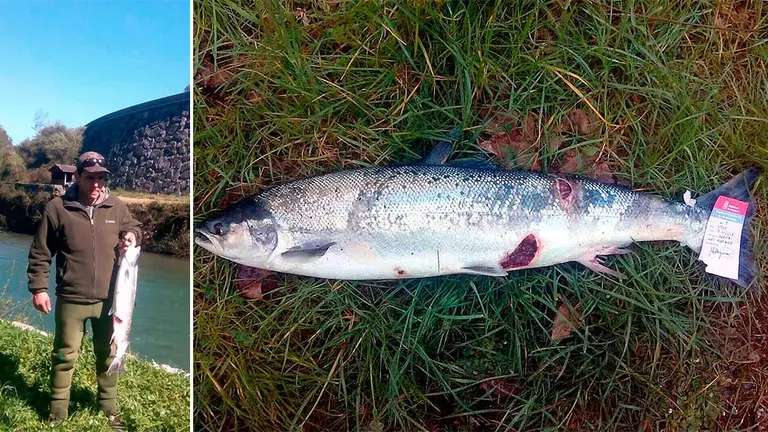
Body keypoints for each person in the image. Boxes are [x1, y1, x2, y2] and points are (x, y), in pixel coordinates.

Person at [26, 151, 142, 429]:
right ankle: (57, 414)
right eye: (90, 178)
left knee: (108, 356)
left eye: (101, 178)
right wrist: (38, 288)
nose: (97, 184)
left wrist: (132, 236)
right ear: (77, 176)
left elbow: (135, 227)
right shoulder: (57, 208)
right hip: (71, 298)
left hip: (109, 301)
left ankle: (110, 411)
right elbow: (41, 252)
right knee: (64, 355)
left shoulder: (116, 206)